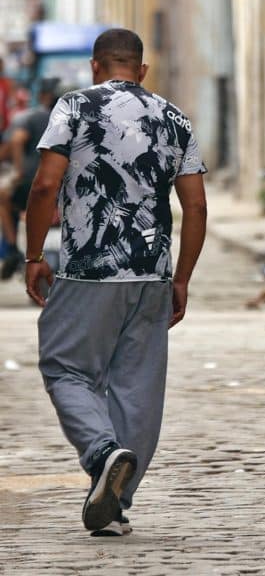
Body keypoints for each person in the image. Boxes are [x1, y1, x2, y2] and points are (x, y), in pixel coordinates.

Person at [23, 28, 207, 536]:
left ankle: (103, 453)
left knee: (64, 368)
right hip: (152, 273)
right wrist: (182, 278)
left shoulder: (75, 107)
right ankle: (115, 501)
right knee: (136, 391)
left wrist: (35, 253)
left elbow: (44, 184)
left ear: (95, 66)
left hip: (88, 269)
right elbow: (195, 205)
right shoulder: (174, 117)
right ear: (141, 70)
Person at [0, 80, 60, 279]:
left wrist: (18, 170)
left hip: (32, 182)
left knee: (3, 199)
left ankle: (11, 248)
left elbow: (16, 140)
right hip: (62, 185)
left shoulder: (29, 117)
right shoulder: (73, 116)